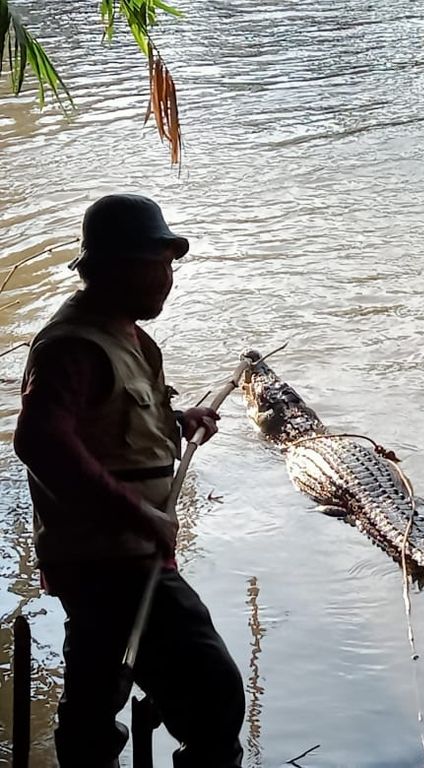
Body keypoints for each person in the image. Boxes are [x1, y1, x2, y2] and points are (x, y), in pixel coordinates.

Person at [14, 194, 245, 767]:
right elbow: (41, 441)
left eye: (170, 263)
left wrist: (176, 422)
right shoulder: (73, 345)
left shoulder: (129, 337)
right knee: (213, 695)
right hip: (109, 559)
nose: (167, 279)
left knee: (99, 688)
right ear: (114, 267)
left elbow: (112, 423)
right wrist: (140, 515)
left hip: (124, 553)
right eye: (155, 263)